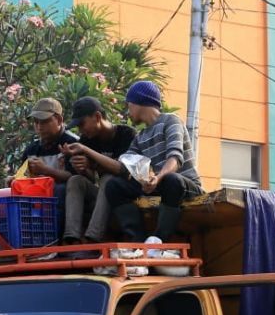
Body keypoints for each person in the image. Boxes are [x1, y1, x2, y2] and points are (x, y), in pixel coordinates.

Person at [94, 80, 202, 247]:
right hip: (159, 185)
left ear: (139, 103)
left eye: (129, 105)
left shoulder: (171, 121)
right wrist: (89, 157)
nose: (128, 111)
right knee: (114, 186)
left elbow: (176, 158)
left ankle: (158, 241)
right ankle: (136, 240)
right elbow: (124, 164)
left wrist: (158, 178)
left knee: (172, 180)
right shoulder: (140, 137)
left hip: (184, 185)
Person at [59, 96, 136, 244]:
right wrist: (82, 168)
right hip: (101, 196)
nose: (81, 130)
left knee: (108, 179)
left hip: (124, 195)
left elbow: (123, 171)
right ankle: (71, 237)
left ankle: (93, 237)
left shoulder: (127, 134)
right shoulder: (87, 139)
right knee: (75, 180)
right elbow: (90, 178)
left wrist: (87, 152)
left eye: (82, 124)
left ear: (97, 117)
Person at [16, 98, 79, 241]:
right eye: (36, 122)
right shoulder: (31, 149)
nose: (39, 127)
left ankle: (58, 240)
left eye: (44, 121)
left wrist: (46, 170)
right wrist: (14, 181)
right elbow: (23, 177)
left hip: (66, 199)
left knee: (59, 190)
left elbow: (77, 180)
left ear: (58, 119)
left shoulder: (72, 143)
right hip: (38, 200)